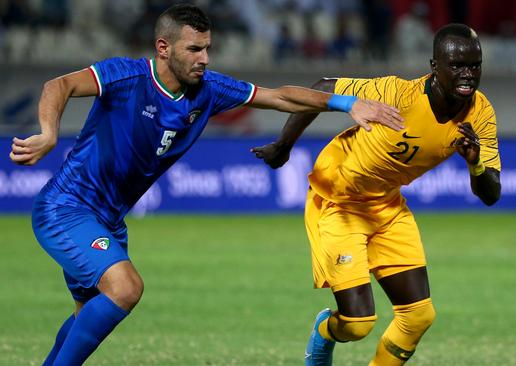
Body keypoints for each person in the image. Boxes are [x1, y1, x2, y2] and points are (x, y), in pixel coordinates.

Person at [8, 4, 404, 365]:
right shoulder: (126, 75)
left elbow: (280, 96)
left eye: (207, 48)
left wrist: (345, 102)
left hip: (107, 221)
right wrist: (48, 133)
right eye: (195, 49)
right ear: (164, 48)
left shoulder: (209, 90)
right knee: (125, 288)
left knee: (85, 317)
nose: (205, 59)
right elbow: (57, 86)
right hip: (66, 208)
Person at [252, 23, 501, 365]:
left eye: (474, 65)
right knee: (357, 324)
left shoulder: (481, 112)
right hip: (339, 202)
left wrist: (474, 164)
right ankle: (325, 331)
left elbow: (490, 193)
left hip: (387, 206)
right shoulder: (397, 94)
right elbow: (323, 86)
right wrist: (283, 147)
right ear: (434, 67)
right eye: (457, 65)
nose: (467, 74)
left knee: (418, 317)